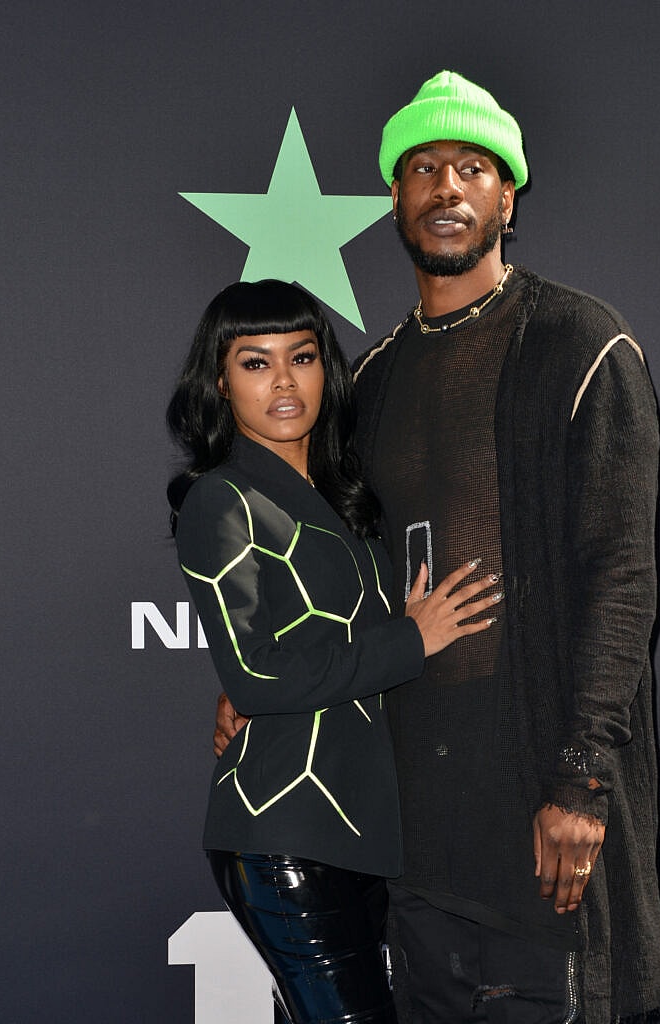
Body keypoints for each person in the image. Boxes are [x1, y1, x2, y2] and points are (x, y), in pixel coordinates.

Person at [215, 72, 660, 1024]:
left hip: (544, 831)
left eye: (472, 166)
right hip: (417, 842)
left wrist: (580, 781)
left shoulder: (580, 343)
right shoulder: (372, 379)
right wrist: (272, 677)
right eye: (423, 168)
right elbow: (347, 569)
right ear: (395, 197)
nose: (447, 187)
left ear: (508, 196)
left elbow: (618, 577)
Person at [167, 278, 504, 1024]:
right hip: (285, 831)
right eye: (254, 363)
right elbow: (257, 675)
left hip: (366, 834)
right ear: (219, 383)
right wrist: (412, 636)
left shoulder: (346, 496)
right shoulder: (220, 499)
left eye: (303, 356)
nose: (284, 382)